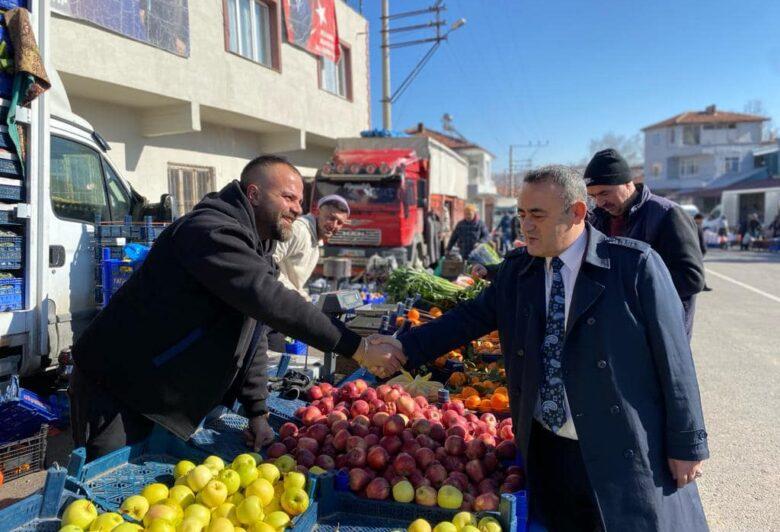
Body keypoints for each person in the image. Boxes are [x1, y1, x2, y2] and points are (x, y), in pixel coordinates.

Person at [372, 165, 709, 531]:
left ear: (577, 212)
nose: (525, 226)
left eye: (537, 215)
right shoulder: (520, 272)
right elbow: (465, 319)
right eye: (521, 214)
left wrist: (687, 445)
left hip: (618, 446)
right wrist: (402, 347)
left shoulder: (634, 266)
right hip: (549, 447)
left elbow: (675, 361)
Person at [69, 155, 404, 459]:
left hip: (161, 392)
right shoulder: (211, 231)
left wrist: (257, 411)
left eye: (300, 200)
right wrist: (356, 347)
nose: (297, 209)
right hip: (117, 386)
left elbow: (254, 325)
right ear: (254, 195)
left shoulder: (259, 245)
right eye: (287, 197)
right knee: (101, 490)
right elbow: (269, 300)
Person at [584, 149, 704, 339]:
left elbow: (691, 278)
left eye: (604, 193)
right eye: (593, 196)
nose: (599, 202)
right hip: (619, 329)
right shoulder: (598, 219)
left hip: (660, 331)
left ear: (627, 183)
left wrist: (630, 291)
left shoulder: (667, 214)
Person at [273, 194, 350, 301]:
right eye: (331, 218)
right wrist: (299, 299)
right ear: (317, 212)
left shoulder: (316, 242)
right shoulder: (299, 230)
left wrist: (306, 300)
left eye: (340, 223)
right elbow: (267, 262)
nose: (334, 225)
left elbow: (295, 284)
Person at [693, 213, 712, 291]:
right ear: (698, 219)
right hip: (698, 251)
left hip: (697, 250)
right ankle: (702, 285)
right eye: (701, 219)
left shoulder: (694, 226)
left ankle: (702, 285)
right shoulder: (696, 227)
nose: (702, 221)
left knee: (698, 268)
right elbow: (700, 241)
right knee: (699, 268)